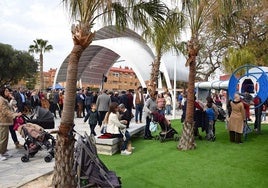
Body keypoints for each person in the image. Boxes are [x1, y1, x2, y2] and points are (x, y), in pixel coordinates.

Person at [0, 86, 22, 161]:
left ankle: (3, 151)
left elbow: (10, 108)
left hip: (6, 121)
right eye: (6, 91)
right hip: (3, 121)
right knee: (2, 138)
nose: (8, 92)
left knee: (5, 137)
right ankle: (0, 153)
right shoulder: (1, 100)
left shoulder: (4, 99)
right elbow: (5, 111)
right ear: (2, 92)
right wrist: (15, 115)